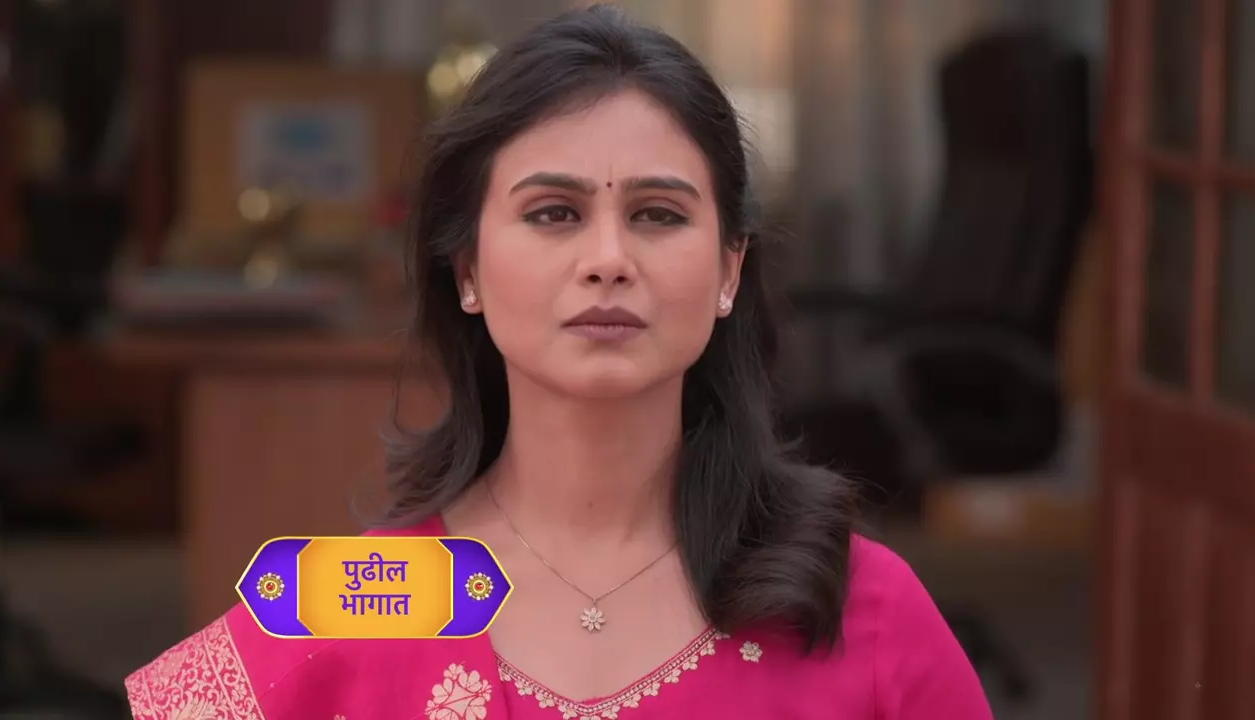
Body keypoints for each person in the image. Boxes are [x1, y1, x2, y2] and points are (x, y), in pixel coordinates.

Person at [125, 5, 993, 719]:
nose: (608, 259)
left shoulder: (861, 606)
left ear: (730, 269)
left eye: (658, 215)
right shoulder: (364, 591)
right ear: (467, 270)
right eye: (553, 213)